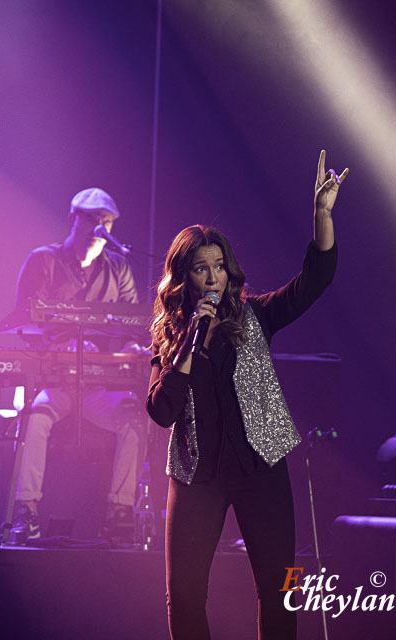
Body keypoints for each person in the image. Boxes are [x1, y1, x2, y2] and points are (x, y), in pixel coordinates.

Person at [146, 151, 348, 639]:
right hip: (198, 477)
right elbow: (161, 409)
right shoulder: (170, 337)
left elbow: (313, 282)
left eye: (219, 266)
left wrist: (321, 217)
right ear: (183, 278)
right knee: (186, 598)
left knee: (282, 590)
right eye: (200, 268)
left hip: (262, 468)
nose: (213, 276)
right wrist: (191, 343)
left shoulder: (255, 316)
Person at [8, 187, 146, 543]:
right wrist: (63, 341)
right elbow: (23, 322)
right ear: (72, 219)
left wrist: (133, 346)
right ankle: (26, 511)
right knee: (35, 416)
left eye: (106, 222)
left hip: (100, 386)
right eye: (91, 219)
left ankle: (120, 512)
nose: (99, 227)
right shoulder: (43, 261)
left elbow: (130, 323)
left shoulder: (119, 268)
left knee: (134, 417)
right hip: (55, 382)